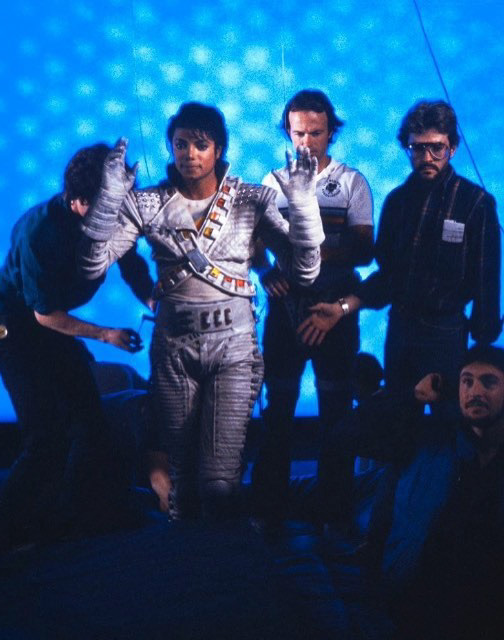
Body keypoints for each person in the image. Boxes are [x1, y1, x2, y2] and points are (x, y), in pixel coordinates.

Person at [78, 102, 324, 520]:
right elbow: (91, 265)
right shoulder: (147, 203)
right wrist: (109, 199)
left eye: (200, 145)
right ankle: (186, 555)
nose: (189, 154)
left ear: (218, 149)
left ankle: (223, 558)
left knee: (220, 481)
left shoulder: (251, 200)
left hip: (234, 350)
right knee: (181, 476)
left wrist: (303, 205)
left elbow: (304, 271)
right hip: (174, 347)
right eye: (181, 144)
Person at [0, 143, 154, 558]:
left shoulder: (113, 217)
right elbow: (45, 316)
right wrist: (105, 334)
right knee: (45, 437)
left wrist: (155, 301)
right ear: (79, 202)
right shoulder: (40, 231)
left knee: (91, 424)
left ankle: (69, 524)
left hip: (51, 323)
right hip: (12, 327)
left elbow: (132, 267)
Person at [298, 100, 501, 419]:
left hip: (447, 332)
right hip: (401, 330)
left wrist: (483, 348)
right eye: (417, 148)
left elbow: (487, 280)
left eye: (436, 148)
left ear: (452, 148)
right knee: (397, 424)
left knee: (451, 424)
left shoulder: (475, 203)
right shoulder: (397, 203)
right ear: (407, 148)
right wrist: (341, 308)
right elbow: (387, 278)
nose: (427, 157)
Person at [250, 89, 374, 527]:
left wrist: (307, 254)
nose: (306, 142)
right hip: (286, 309)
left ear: (331, 132)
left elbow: (365, 251)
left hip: (335, 306)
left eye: (315, 133)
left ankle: (335, 515)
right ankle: (269, 512)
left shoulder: (352, 182)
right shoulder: (271, 182)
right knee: (278, 408)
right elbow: (254, 244)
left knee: (336, 411)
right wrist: (266, 270)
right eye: (299, 133)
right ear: (288, 131)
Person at [369, 345, 504, 639]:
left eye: (489, 382)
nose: (475, 391)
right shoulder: (431, 444)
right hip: (422, 606)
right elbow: (345, 435)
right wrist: (414, 397)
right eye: (467, 382)